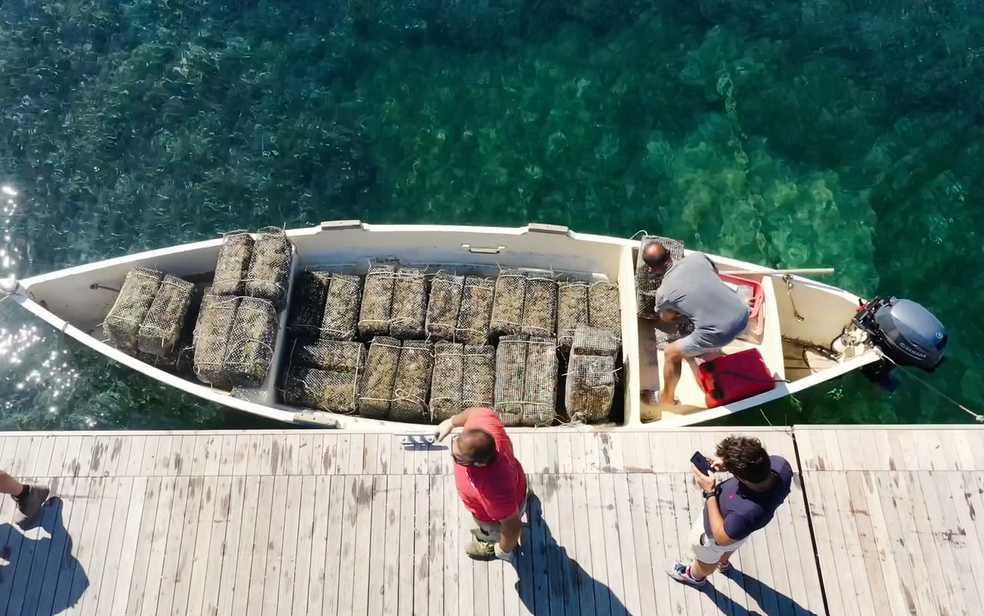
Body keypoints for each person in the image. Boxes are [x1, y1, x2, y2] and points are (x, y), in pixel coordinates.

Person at [667, 435, 793, 587]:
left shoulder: (744, 513)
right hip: (739, 532)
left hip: (714, 537)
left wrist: (710, 492)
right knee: (732, 545)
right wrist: (728, 465)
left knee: (707, 559)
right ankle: (723, 562)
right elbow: (752, 470)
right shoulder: (781, 466)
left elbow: (722, 538)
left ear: (743, 479)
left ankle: (695, 577)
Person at [642, 243, 750, 407]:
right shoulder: (698, 257)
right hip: (743, 316)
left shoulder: (663, 293)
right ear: (670, 252)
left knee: (671, 354)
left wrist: (676, 310)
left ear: (653, 270)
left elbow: (667, 318)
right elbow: (715, 274)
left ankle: (667, 397)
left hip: (721, 334)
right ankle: (705, 350)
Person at [435, 407, 528, 561]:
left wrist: (504, 549)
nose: (451, 454)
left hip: (493, 519)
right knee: (518, 494)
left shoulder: (496, 491)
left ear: (478, 464)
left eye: (458, 458)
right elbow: (474, 412)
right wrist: (452, 421)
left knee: (491, 532)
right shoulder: (485, 421)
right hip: (517, 481)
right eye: (455, 440)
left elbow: (512, 526)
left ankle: (488, 542)